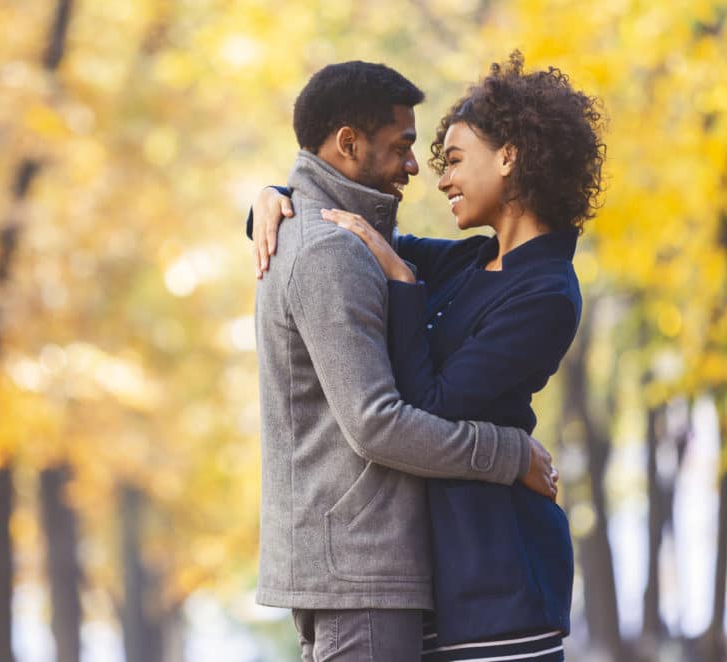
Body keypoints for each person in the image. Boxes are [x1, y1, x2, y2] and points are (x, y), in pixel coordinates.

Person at [252, 52, 605, 661]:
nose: (438, 178)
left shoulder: (544, 293)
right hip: (443, 573)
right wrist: (274, 197)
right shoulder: (471, 261)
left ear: (509, 156)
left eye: (456, 160)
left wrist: (406, 287)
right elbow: (340, 234)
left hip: (499, 577)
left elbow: (430, 404)